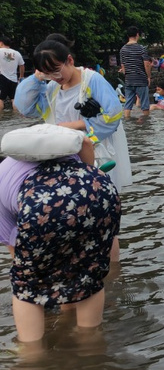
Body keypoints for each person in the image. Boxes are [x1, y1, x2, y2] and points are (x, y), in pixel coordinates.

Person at [0, 128, 120, 343]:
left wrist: (43, 287)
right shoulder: (60, 150)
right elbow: (85, 142)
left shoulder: (3, 177)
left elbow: (17, 252)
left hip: (41, 203)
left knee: (28, 282)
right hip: (96, 187)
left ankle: (32, 356)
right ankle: (90, 345)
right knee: (88, 269)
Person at [13, 33, 132, 204]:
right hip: (65, 150)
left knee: (98, 196)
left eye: (56, 70)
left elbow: (113, 113)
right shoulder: (52, 88)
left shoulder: (92, 80)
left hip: (95, 147)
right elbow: (25, 107)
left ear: (69, 60)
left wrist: (78, 124)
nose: (55, 77)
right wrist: (37, 79)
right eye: (48, 74)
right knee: (72, 198)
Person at [118, 26, 152, 119]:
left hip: (129, 80)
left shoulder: (122, 50)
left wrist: (127, 74)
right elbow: (146, 64)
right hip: (140, 79)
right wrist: (149, 77)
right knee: (144, 103)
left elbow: (123, 67)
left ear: (128, 35)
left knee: (128, 103)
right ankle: (146, 123)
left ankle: (127, 120)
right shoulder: (141, 48)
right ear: (137, 35)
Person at [0, 36, 25, 112]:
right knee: (13, 99)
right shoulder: (17, 53)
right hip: (13, 79)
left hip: (2, 78)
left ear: (1, 43)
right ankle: (17, 116)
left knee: (1, 99)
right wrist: (21, 76)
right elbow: (22, 65)